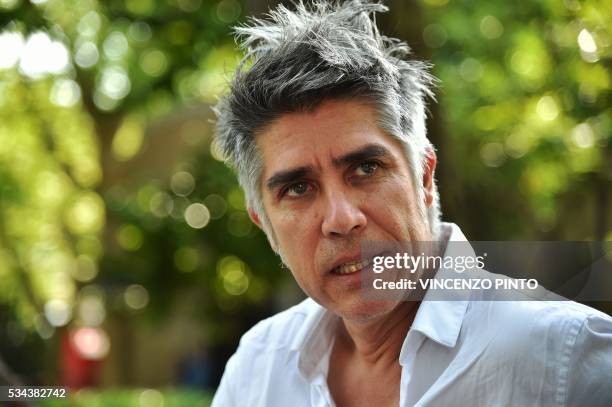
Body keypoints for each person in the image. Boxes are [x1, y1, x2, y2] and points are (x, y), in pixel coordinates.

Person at [210, 1, 612, 405]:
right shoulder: (257, 371)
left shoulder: (564, 356)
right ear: (266, 226)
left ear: (424, 177)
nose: (342, 218)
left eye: (366, 168)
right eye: (298, 189)